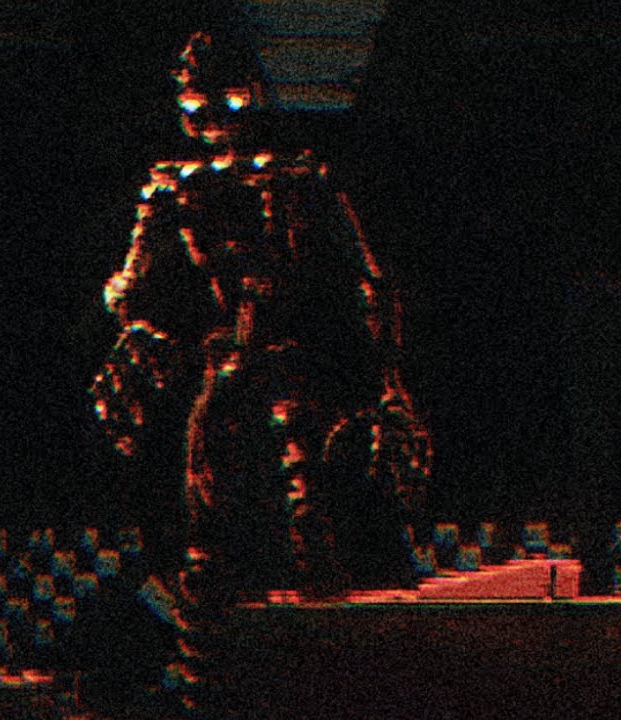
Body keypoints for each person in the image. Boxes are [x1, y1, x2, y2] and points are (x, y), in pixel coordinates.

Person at [90, 30, 431, 716]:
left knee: (303, 512)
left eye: (222, 98)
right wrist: (138, 329)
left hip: (286, 368)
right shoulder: (176, 187)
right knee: (212, 525)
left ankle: (317, 674)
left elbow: (369, 281)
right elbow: (129, 288)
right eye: (197, 102)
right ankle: (215, 681)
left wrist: (388, 383)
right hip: (230, 367)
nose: (211, 117)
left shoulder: (296, 177)